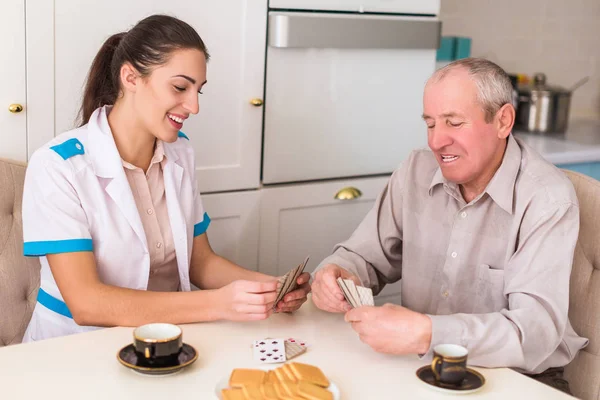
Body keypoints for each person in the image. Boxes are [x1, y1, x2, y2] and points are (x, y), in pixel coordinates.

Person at [21, 14, 310, 342]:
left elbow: (200, 262)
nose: (194, 106)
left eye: (198, 90)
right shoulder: (58, 166)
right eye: (180, 87)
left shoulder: (180, 153)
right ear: (130, 77)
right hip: (72, 347)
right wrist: (218, 303)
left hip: (161, 342)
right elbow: (88, 303)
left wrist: (271, 288)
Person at [310, 58, 588, 393]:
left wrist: (428, 333)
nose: (436, 142)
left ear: (503, 121)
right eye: (430, 124)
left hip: (519, 381)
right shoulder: (414, 170)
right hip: (420, 367)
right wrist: (338, 272)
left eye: (453, 123)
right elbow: (364, 257)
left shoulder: (546, 199)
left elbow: (535, 333)